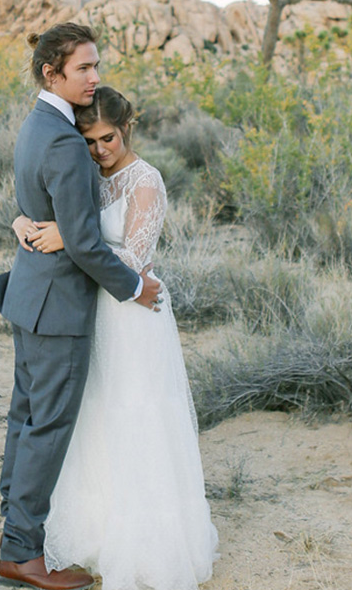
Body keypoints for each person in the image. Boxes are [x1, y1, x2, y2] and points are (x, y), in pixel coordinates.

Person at [12, 86, 219, 590]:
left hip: (131, 315)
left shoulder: (145, 181)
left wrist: (71, 239)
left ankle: (147, 546)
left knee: (137, 416)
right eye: (89, 140)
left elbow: (137, 258)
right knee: (96, 418)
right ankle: (96, 535)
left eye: (108, 137)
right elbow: (53, 205)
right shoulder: (89, 173)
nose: (100, 149)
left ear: (127, 128)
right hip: (92, 314)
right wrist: (24, 220)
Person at [0, 24, 163, 590]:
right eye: (84, 68)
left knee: (26, 418)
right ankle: (22, 552)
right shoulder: (66, 141)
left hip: (29, 299)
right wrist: (135, 287)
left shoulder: (37, 124)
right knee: (46, 428)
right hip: (59, 307)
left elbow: (32, 207)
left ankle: (13, 529)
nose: (96, 77)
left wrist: (23, 221)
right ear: (52, 72)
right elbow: (86, 243)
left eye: (96, 66)